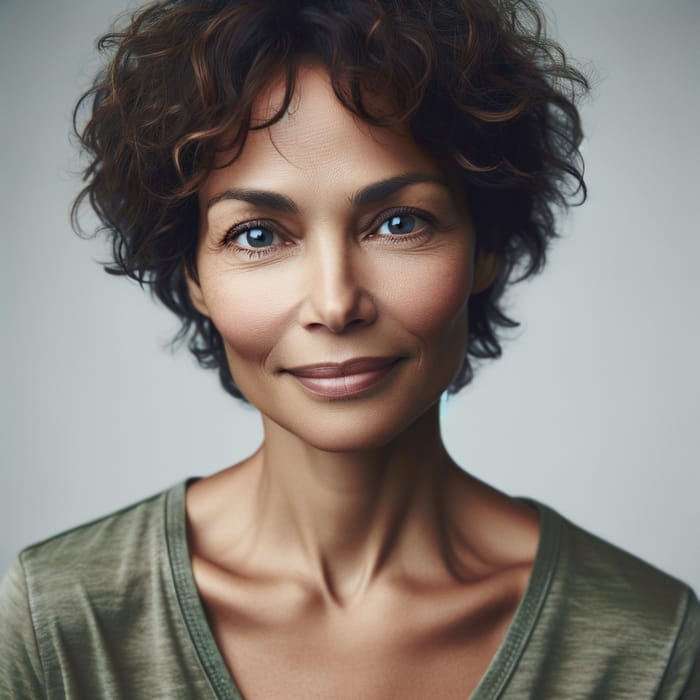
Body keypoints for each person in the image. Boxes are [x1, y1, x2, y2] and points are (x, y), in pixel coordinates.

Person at [1, 0, 698, 697]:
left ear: (486, 248)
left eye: (399, 223)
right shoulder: (61, 623)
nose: (336, 304)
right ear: (194, 276)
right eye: (258, 235)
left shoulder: (648, 644)